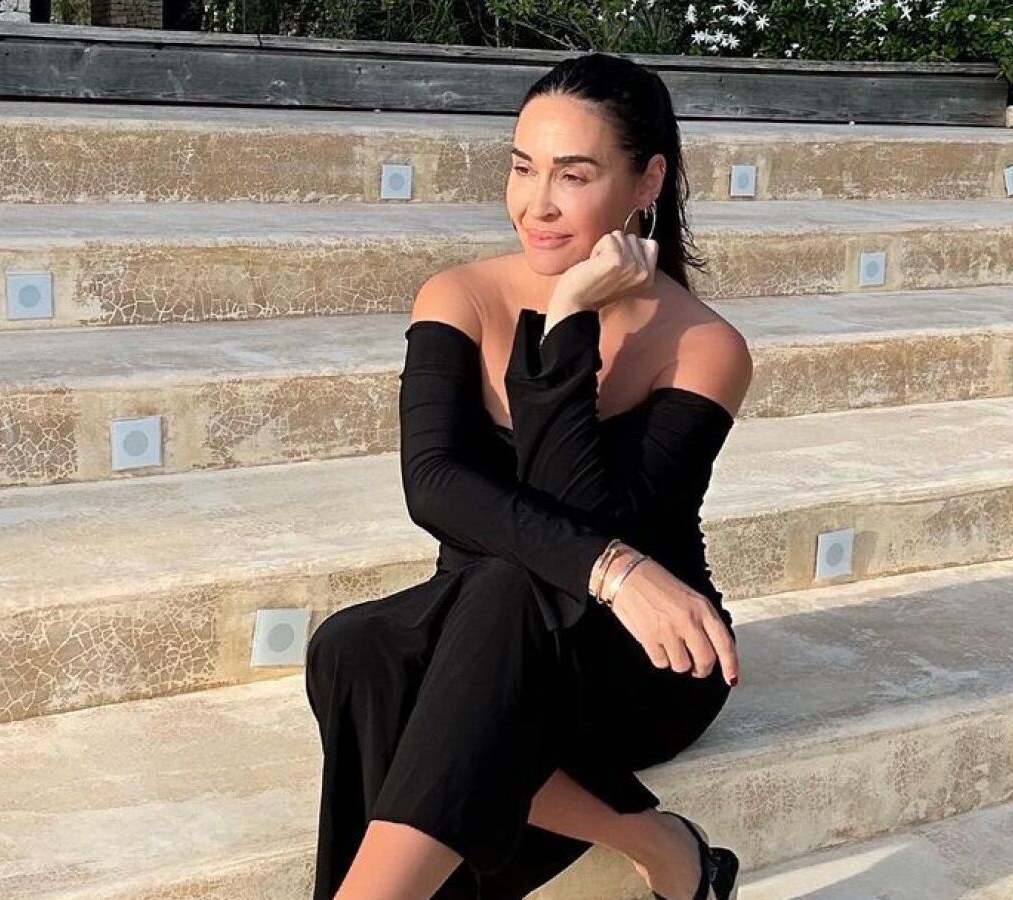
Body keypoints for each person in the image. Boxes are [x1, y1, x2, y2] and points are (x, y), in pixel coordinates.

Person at [304, 51, 753, 900]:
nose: (535, 204)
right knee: (355, 649)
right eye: (522, 168)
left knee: (507, 595)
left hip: (638, 657)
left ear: (647, 180)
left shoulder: (704, 346)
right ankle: (664, 846)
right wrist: (613, 567)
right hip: (493, 625)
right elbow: (433, 484)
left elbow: (587, 512)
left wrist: (566, 320)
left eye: (572, 176)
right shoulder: (460, 295)